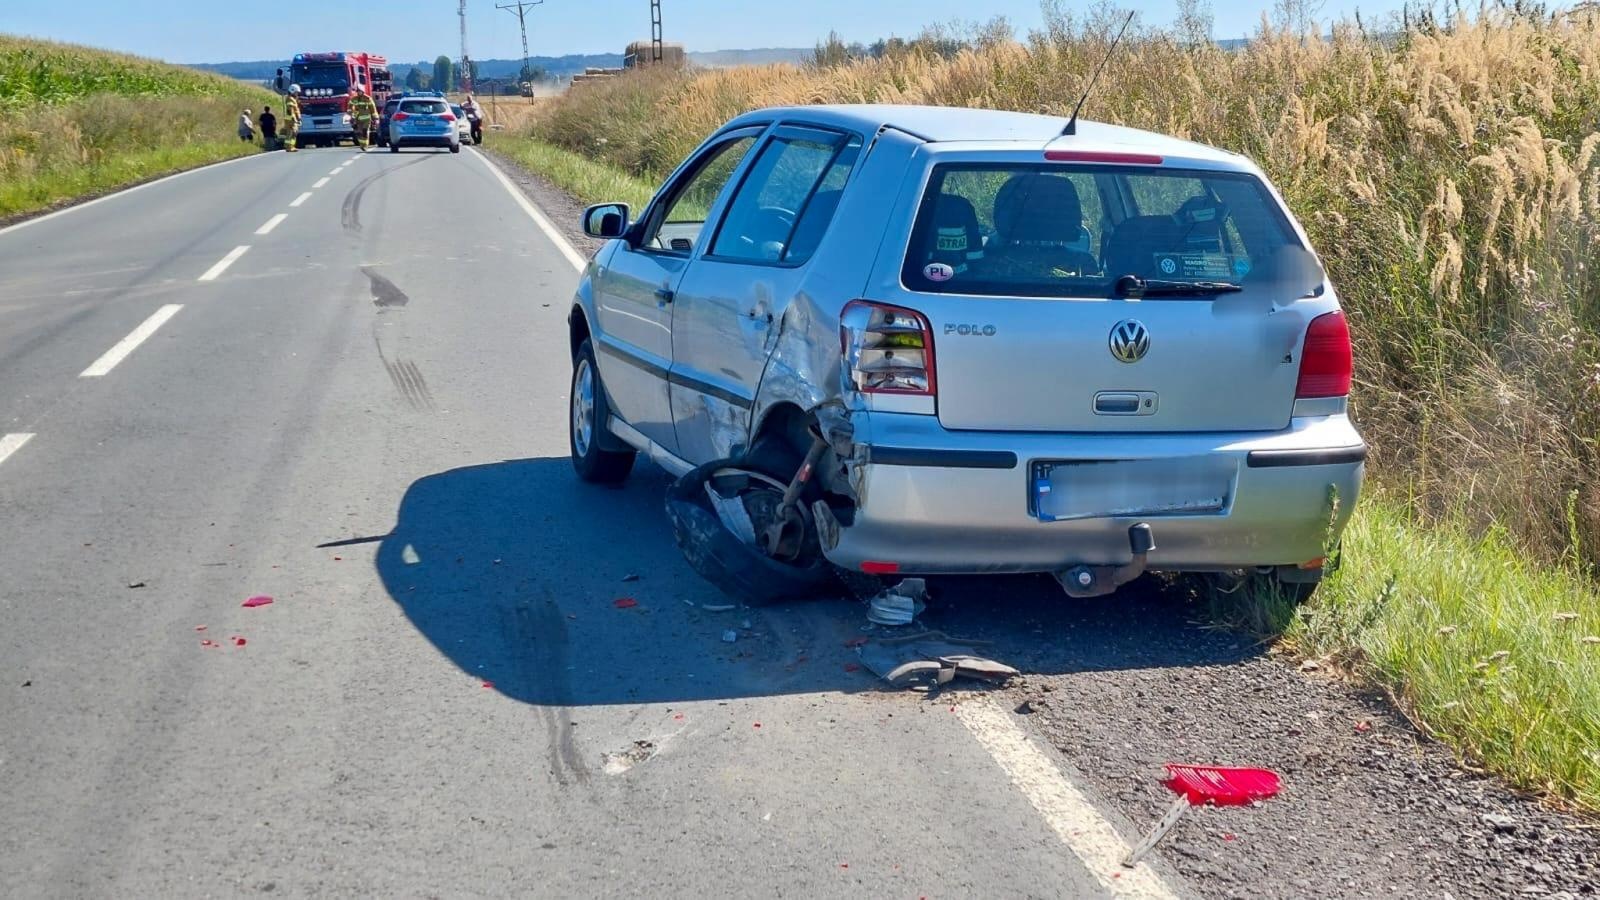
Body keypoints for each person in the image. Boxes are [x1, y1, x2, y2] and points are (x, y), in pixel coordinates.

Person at [348, 87, 377, 152]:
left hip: (366, 119)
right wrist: (350, 114)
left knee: (365, 132)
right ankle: (362, 145)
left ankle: (365, 145)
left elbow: (373, 109)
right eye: (358, 91)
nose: (359, 92)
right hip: (357, 119)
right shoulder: (354, 99)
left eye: (360, 91)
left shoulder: (368, 98)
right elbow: (349, 105)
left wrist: (375, 117)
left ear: (363, 91)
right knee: (359, 133)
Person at [282, 84, 302, 152]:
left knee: (294, 133)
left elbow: (296, 110)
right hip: (291, 119)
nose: (297, 94)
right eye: (296, 92)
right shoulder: (289, 98)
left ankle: (291, 146)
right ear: (292, 91)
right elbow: (290, 109)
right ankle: (288, 147)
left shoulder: (293, 99)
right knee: (291, 133)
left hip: (293, 119)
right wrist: (293, 118)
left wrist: (298, 118)